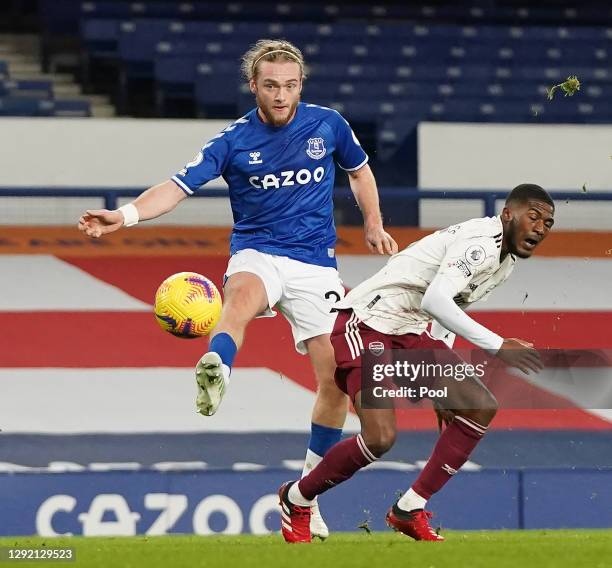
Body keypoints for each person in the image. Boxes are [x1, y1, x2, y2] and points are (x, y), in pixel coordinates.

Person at [77, 38, 397, 539]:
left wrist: (374, 222)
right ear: (254, 86)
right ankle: (217, 365)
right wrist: (124, 216)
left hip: (316, 266)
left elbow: (360, 172)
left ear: (300, 86)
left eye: (290, 85)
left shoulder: (329, 124)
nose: (281, 95)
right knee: (240, 297)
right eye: (271, 85)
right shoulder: (232, 141)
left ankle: (305, 498)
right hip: (259, 252)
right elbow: (175, 188)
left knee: (334, 383)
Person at [279, 184, 554, 543]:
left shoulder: (505, 263)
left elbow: (450, 307)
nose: (540, 228)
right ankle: (296, 498)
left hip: (408, 331)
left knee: (479, 406)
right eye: (533, 217)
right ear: (508, 214)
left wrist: (437, 380)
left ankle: (409, 508)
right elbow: (436, 301)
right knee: (380, 438)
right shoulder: (480, 243)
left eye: (548, 223)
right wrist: (498, 346)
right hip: (367, 322)